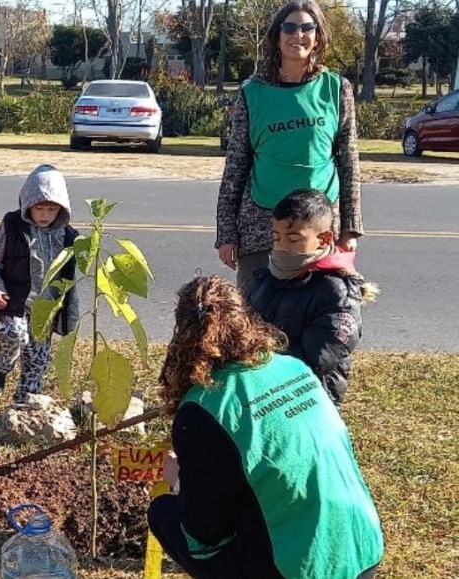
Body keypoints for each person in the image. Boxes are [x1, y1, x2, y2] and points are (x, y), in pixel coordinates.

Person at [148, 275, 384, 579]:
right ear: (247, 320)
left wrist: (181, 483)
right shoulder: (293, 366)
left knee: (163, 512)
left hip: (301, 570)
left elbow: (206, 534)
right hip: (363, 548)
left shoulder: (203, 407)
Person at [215, 0, 363, 295]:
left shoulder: (336, 88)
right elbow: (236, 167)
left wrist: (350, 227)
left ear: (318, 36)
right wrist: (226, 233)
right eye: (290, 27)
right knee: (255, 321)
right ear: (277, 36)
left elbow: (348, 161)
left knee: (318, 314)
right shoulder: (252, 91)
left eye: (308, 28)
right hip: (261, 225)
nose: (299, 35)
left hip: (318, 228)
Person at [250, 188, 378, 407]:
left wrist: (253, 359)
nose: (282, 247)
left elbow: (316, 360)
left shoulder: (338, 292)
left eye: (293, 239)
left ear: (324, 238)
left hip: (308, 399)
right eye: (276, 237)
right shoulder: (268, 276)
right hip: (260, 386)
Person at [0, 164, 79, 403]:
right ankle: (0, 368)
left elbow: (72, 278)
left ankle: (25, 401)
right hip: (17, 301)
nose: (45, 214)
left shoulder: (69, 236)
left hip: (46, 309)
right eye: (39, 208)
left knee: (38, 358)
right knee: (14, 331)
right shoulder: (12, 226)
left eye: (51, 208)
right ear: (28, 204)